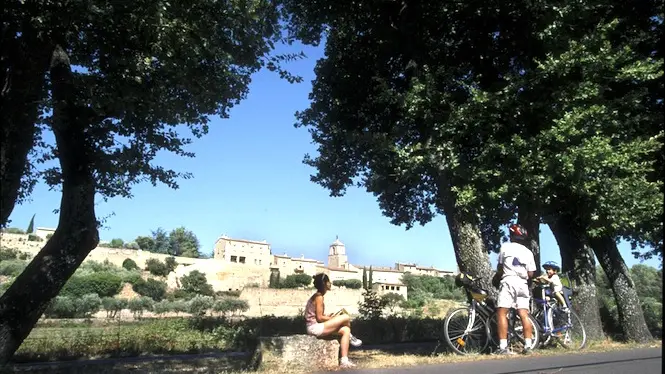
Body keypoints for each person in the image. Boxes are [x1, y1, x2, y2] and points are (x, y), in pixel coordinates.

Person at [492, 223, 537, 355]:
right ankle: (528, 346)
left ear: (511, 235)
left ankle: (503, 346)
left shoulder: (505, 247)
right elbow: (531, 273)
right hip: (523, 283)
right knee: (523, 314)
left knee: (502, 312)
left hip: (509, 280)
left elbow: (500, 268)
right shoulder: (528, 252)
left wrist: (496, 277)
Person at [305, 273, 362, 368]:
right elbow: (319, 318)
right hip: (314, 327)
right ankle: (351, 337)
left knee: (346, 330)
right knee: (346, 317)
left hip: (316, 326)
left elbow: (319, 316)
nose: (330, 283)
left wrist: (329, 317)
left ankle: (344, 360)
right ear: (324, 283)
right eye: (329, 282)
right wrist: (333, 319)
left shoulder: (318, 296)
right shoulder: (319, 297)